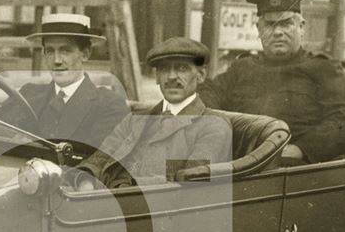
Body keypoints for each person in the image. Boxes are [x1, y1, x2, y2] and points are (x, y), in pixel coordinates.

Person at [198, 0, 345, 163]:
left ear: (301, 27)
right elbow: (209, 91)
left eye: (286, 23)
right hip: (241, 160)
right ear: (259, 30)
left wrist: (302, 149)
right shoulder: (242, 67)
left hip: (291, 168)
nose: (278, 32)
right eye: (269, 25)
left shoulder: (323, 68)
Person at [75, 37, 232, 188]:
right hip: (105, 203)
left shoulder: (213, 126)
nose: (171, 77)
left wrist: (121, 190)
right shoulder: (134, 120)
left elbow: (189, 185)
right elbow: (100, 158)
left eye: (182, 68)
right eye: (164, 69)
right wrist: (85, 182)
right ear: (157, 77)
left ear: (201, 75)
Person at [0, 13, 128, 157]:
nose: (57, 60)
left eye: (66, 50)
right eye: (50, 51)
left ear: (85, 54)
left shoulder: (110, 105)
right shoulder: (28, 93)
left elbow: (98, 162)